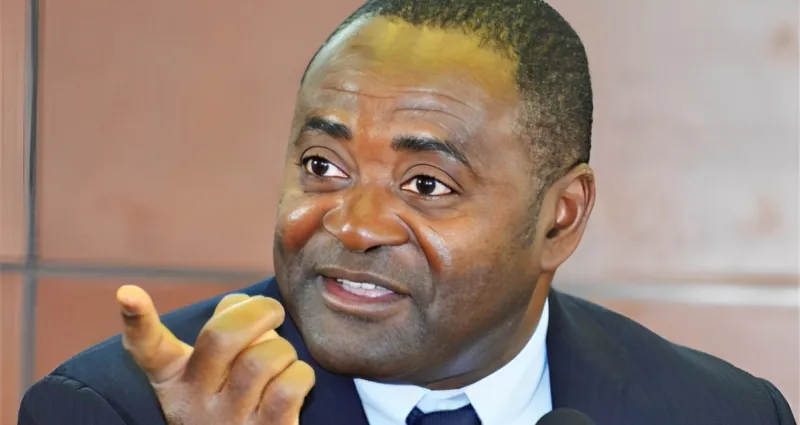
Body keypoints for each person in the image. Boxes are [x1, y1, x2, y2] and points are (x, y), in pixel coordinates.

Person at [17, 0, 797, 424]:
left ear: (559, 217)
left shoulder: (724, 414)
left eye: (426, 184)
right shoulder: (117, 412)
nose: (354, 226)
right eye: (322, 167)